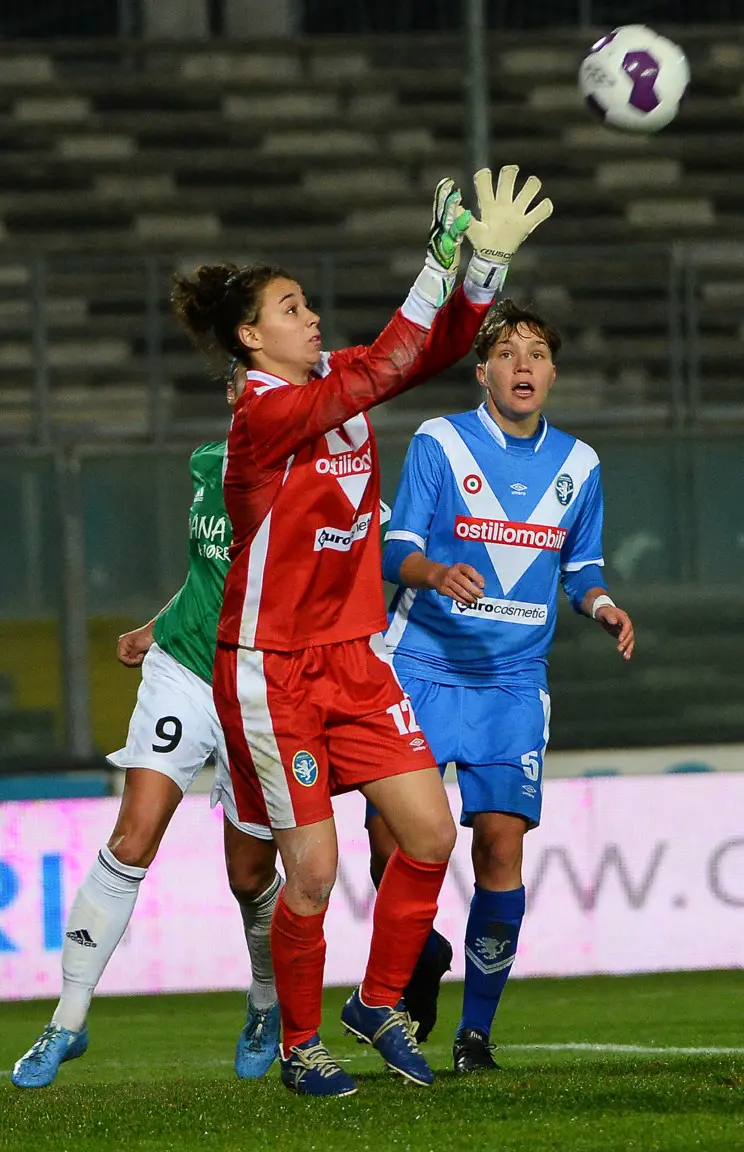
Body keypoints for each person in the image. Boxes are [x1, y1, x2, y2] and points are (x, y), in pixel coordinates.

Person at [172, 166, 554, 1097]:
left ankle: (378, 1002)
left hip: (353, 657)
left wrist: (482, 274)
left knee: (427, 833)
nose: (311, 319)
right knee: (313, 871)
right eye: (291, 308)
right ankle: (302, 1043)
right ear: (251, 337)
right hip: (271, 672)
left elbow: (425, 350)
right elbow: (391, 360)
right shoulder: (263, 413)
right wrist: (435, 260)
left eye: (307, 306)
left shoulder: (332, 376)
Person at [375, 294, 635, 1074]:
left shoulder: (580, 465)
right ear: (483, 371)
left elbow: (580, 565)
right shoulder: (440, 442)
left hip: (513, 681)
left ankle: (475, 1033)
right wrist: (431, 571)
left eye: (538, 354)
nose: (524, 366)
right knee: (391, 843)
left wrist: (602, 602)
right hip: (420, 663)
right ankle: (416, 956)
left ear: (553, 373)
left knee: (497, 846)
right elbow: (395, 549)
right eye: (508, 354)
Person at [11, 368, 282, 1089]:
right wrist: (158, 626)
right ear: (233, 395)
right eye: (241, 388)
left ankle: (265, 1003)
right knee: (133, 835)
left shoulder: (316, 469)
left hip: (258, 684)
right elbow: (209, 574)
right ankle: (66, 1021)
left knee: (249, 876)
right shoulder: (206, 463)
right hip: (186, 669)